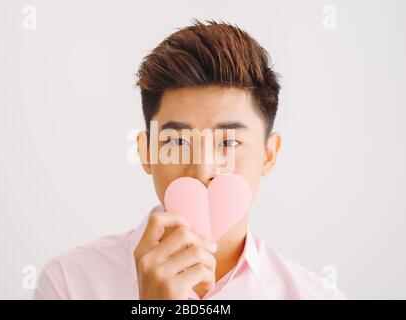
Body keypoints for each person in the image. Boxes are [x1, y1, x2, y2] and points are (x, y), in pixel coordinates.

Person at [33, 19, 346, 300]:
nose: (202, 170)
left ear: (269, 154)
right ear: (146, 152)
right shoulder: (69, 283)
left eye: (229, 142)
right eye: (178, 142)